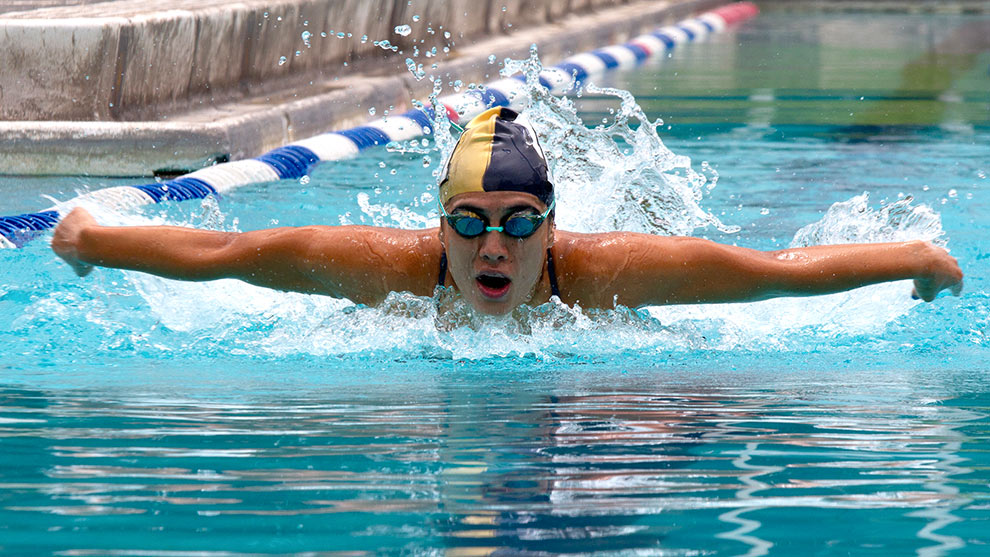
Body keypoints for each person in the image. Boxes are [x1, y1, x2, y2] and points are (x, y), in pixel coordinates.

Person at [52, 107, 963, 316]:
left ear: (551, 228)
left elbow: (780, 275)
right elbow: (225, 255)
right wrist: (92, 236)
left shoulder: (606, 271)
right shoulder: (382, 265)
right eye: (471, 222)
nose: (494, 244)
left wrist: (915, 257)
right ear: (438, 223)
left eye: (520, 222)